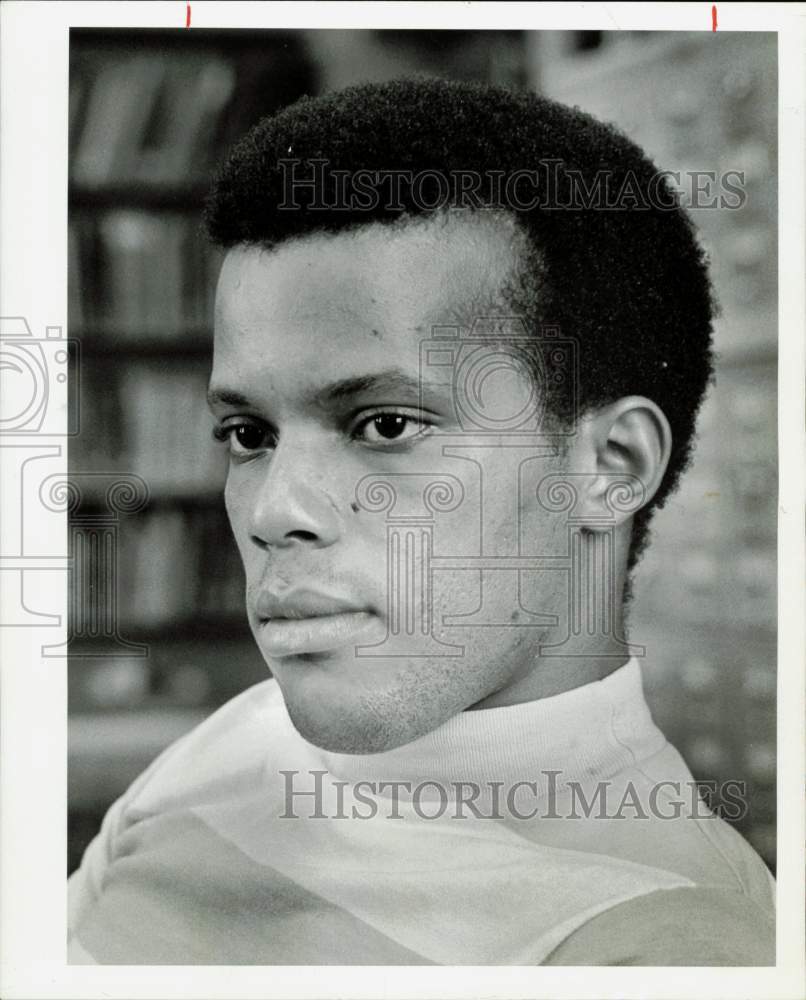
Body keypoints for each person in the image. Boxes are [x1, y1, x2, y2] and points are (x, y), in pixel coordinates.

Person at [68, 77, 775, 965]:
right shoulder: (233, 739)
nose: (275, 511)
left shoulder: (672, 944)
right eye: (248, 435)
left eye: (388, 426)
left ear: (611, 467)